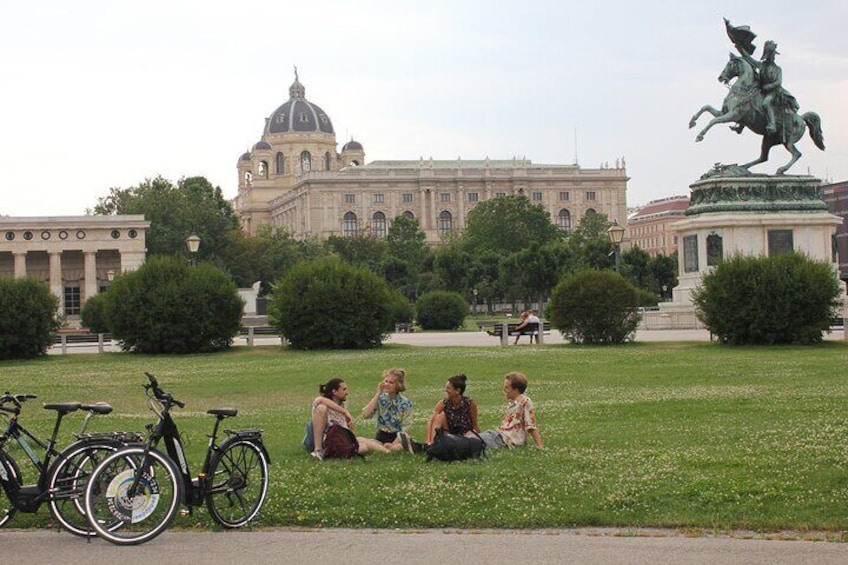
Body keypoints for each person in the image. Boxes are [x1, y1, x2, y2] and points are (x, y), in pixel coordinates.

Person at [305, 378, 390, 460]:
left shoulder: (342, 404)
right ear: (334, 392)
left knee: (362, 446)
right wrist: (345, 412)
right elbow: (319, 400)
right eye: (344, 389)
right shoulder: (322, 403)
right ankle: (318, 451)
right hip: (318, 441)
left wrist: (349, 428)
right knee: (321, 408)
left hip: (334, 441)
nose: (347, 392)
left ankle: (387, 451)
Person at [737, 39, 798, 135]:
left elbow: (778, 82)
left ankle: (772, 124)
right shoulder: (762, 65)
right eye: (772, 54)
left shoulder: (777, 69)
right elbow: (749, 58)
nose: (773, 56)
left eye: (773, 54)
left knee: (766, 103)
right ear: (768, 55)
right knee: (747, 100)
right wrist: (740, 48)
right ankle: (741, 125)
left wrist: (768, 86)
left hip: (773, 92)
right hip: (760, 90)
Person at [475, 372, 544, 450]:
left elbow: (531, 426)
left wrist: (540, 446)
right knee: (477, 437)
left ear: (516, 390)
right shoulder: (513, 402)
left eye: (507, 387)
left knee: (476, 441)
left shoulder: (525, 402)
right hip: (499, 435)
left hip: (505, 439)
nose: (504, 390)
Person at [361, 368, 415, 452]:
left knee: (398, 446)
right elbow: (366, 415)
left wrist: (394, 443)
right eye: (386, 381)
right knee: (359, 440)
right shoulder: (380, 399)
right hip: (382, 435)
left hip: (397, 436)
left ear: (398, 385)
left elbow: (406, 427)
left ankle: (388, 449)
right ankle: (385, 449)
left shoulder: (405, 402)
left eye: (391, 383)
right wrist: (378, 393)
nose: (387, 384)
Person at [425, 373, 479, 444]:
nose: (446, 390)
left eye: (448, 388)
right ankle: (431, 444)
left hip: (465, 436)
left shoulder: (470, 404)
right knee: (438, 417)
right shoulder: (443, 403)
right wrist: (428, 441)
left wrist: (477, 437)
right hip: (449, 435)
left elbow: (475, 425)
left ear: (457, 391)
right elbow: (431, 422)